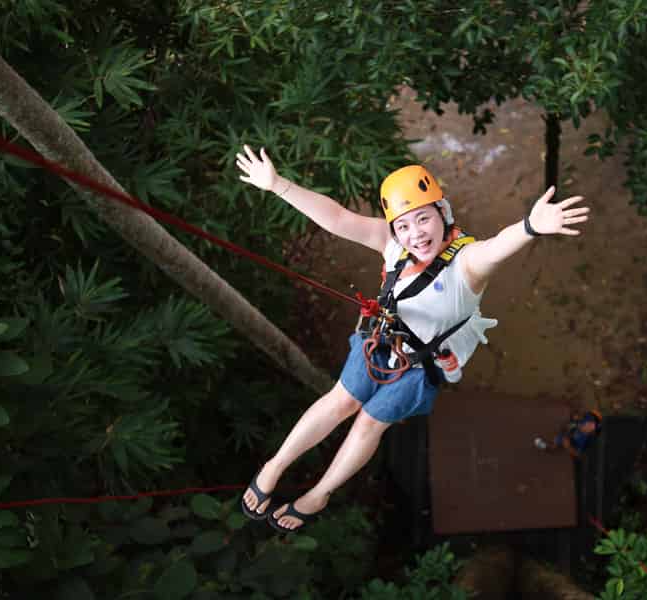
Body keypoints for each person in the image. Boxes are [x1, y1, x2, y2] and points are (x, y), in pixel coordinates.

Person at [235, 145, 590, 532]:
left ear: (442, 212)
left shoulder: (466, 263)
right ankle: (275, 466)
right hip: (381, 342)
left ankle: (319, 493)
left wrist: (529, 228)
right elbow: (337, 218)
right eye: (403, 225)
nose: (415, 233)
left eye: (423, 219)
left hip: (421, 366)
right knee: (340, 400)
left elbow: (495, 248)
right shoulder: (393, 244)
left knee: (369, 423)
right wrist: (278, 185)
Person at [535, 409, 603, 459]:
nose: (588, 425)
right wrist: (578, 416)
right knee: (565, 428)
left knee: (554, 447)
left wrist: (569, 447)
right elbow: (589, 414)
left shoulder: (584, 441)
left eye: (591, 427)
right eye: (590, 424)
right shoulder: (588, 418)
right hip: (571, 431)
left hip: (571, 440)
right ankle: (550, 444)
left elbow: (579, 455)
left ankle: (545, 446)